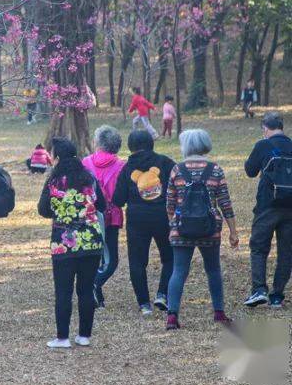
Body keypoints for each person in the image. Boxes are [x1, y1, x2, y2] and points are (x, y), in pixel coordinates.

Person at [165, 129, 238, 330]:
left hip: (181, 229)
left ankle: (172, 316)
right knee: (213, 269)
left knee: (179, 270)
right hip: (210, 228)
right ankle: (219, 312)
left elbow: (170, 204)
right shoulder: (215, 170)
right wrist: (233, 231)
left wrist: (174, 224)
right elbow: (225, 203)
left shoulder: (177, 170)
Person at [38, 137, 106, 349]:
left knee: (63, 291)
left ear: (57, 157)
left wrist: (62, 212)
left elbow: (43, 209)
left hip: (63, 243)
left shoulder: (54, 181)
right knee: (86, 290)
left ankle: (62, 338)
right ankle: (84, 336)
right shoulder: (89, 177)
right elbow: (102, 204)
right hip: (91, 241)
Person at [112, 129, 176, 314]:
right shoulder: (165, 162)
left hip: (137, 219)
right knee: (170, 257)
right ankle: (162, 294)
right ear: (151, 144)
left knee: (137, 261)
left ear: (130, 147)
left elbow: (118, 200)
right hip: (163, 216)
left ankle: (143, 304)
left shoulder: (126, 168)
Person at [243, 112, 292, 308]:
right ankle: (277, 296)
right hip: (290, 208)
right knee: (286, 252)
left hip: (267, 206)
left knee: (259, 248)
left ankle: (259, 290)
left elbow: (250, 171)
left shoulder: (263, 145)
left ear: (265, 128)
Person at [82, 126, 125, 308]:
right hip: (111, 216)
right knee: (111, 259)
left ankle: (95, 293)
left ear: (97, 143)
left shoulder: (85, 162)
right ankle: (93, 285)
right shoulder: (123, 165)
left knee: (93, 256)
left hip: (88, 214)